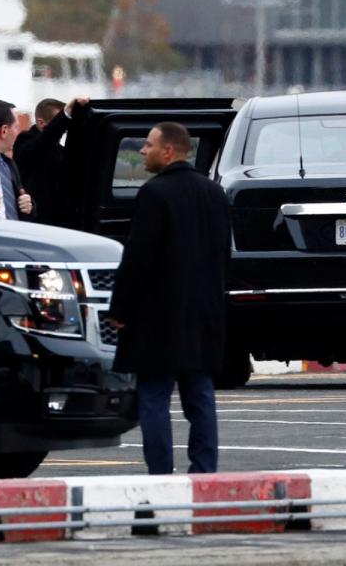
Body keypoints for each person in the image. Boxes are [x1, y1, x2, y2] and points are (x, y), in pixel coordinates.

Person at [108, 122, 231, 475]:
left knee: (154, 398)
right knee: (200, 397)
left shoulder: (154, 193)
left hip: (157, 317)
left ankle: (161, 475)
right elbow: (223, 255)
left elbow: (138, 258)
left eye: (148, 145)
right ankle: (204, 471)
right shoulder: (215, 193)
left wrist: (120, 309)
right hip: (204, 313)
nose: (142, 151)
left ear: (169, 151)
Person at [13, 97, 88, 224]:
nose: (64, 128)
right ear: (41, 123)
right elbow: (45, 141)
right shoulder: (25, 141)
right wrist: (65, 114)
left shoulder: (59, 150)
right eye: (59, 121)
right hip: (34, 220)